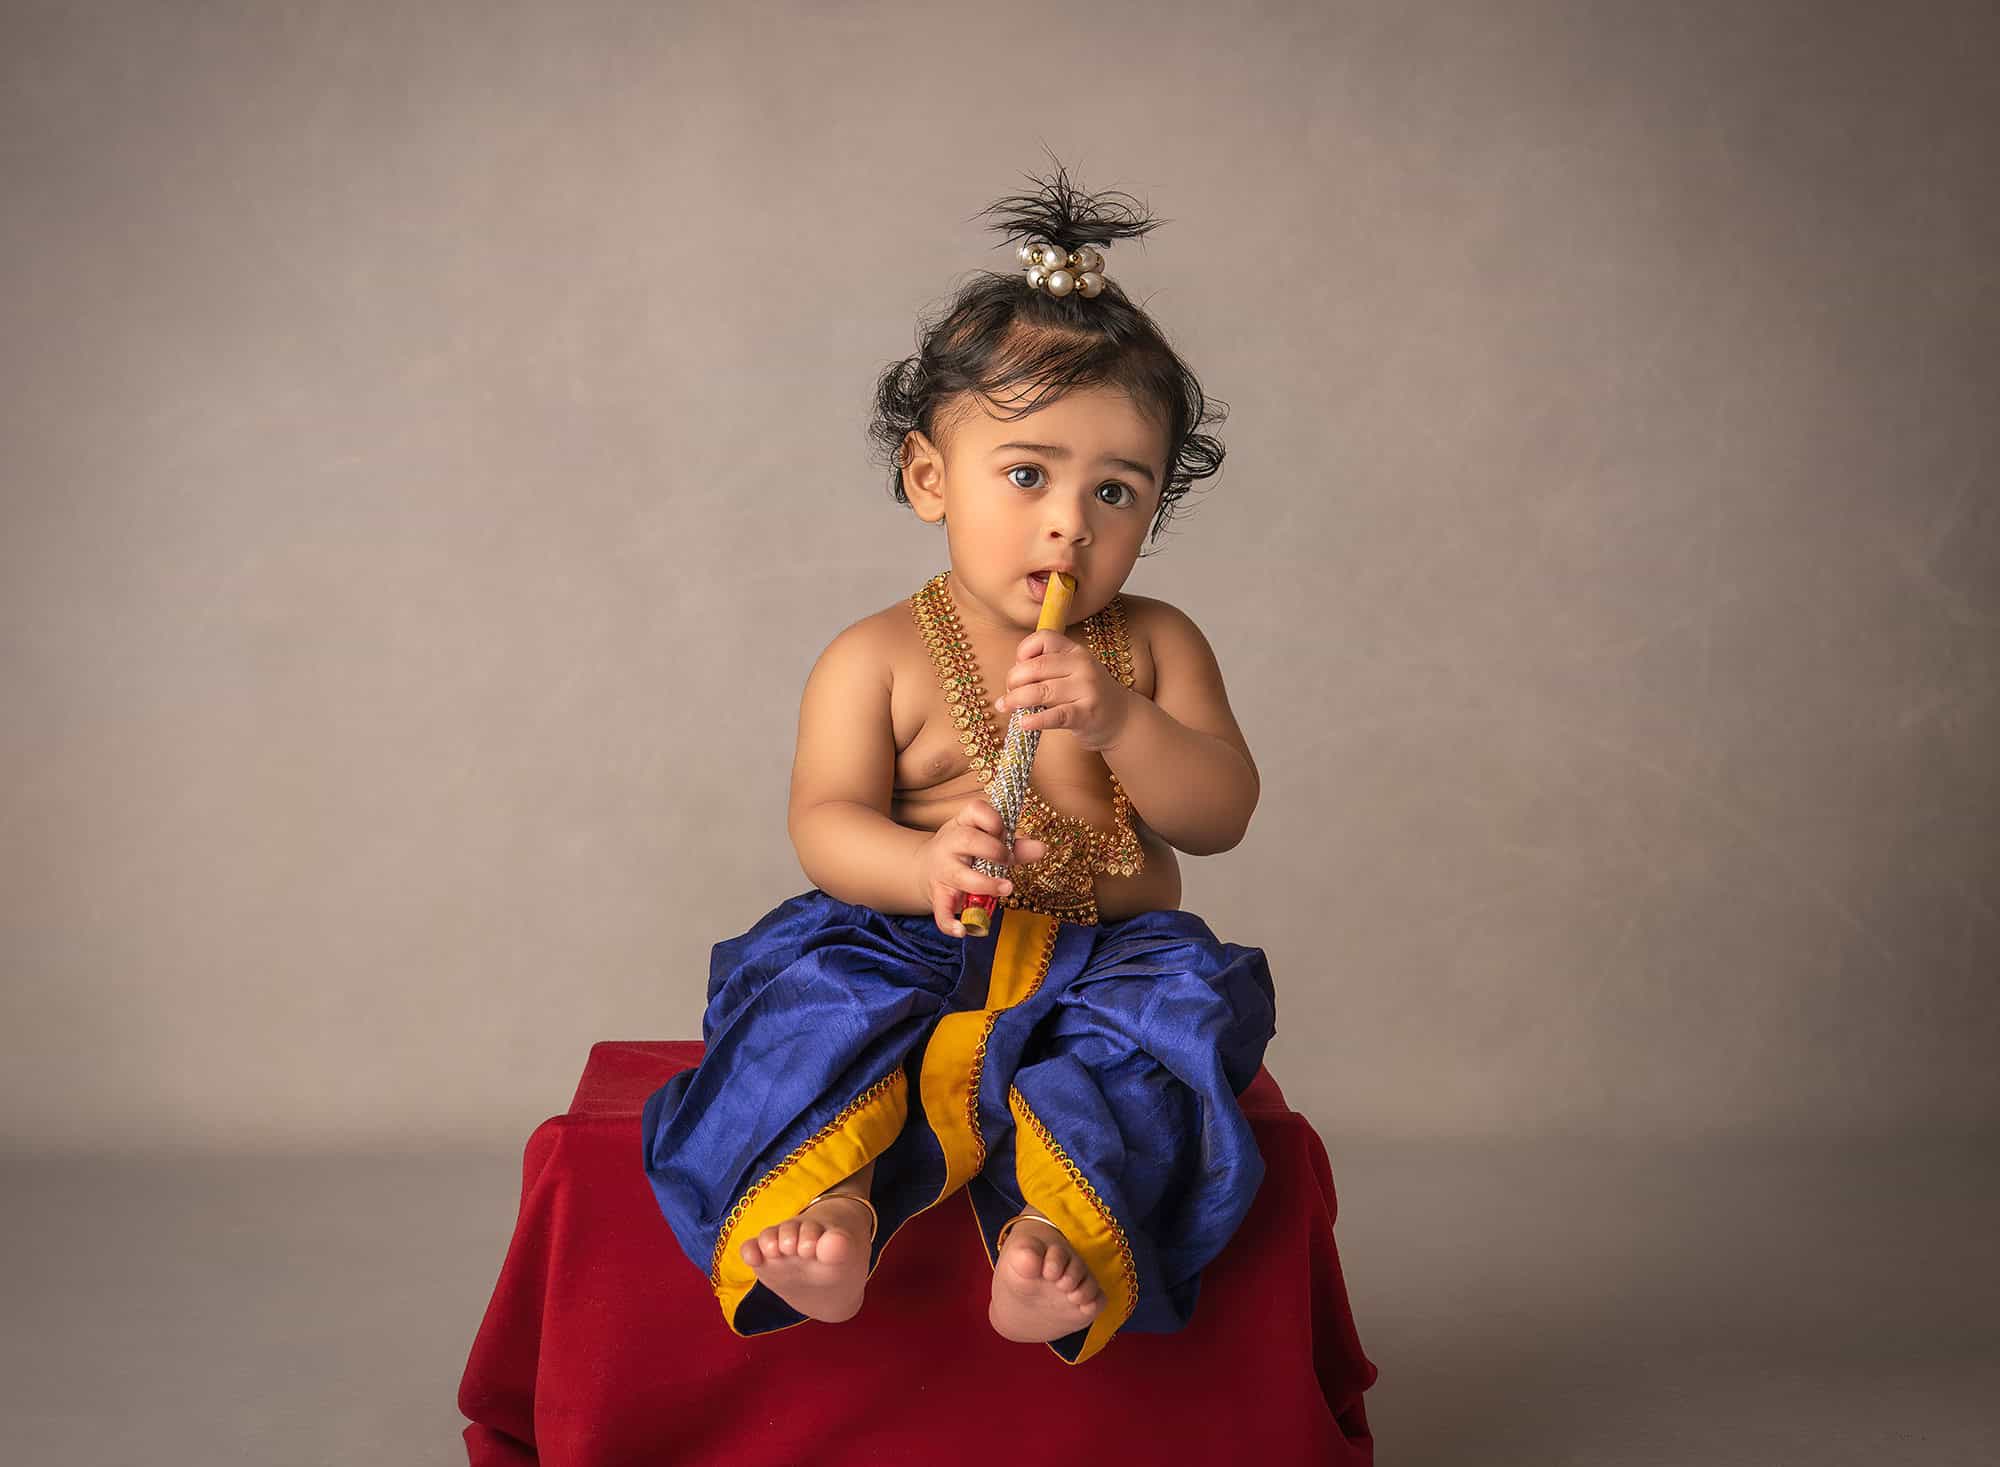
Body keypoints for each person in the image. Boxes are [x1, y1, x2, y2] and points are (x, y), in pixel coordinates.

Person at [641, 160, 1277, 1366]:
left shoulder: (1151, 645)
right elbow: (823, 822)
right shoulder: (874, 656)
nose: (1068, 524)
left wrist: (1123, 725)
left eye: (1116, 492)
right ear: (930, 477)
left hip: (1105, 952)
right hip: (908, 935)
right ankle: (827, 1210)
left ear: (1153, 514)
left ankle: (1060, 1237)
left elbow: (1220, 815)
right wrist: (920, 859)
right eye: (1027, 474)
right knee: (813, 1023)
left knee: (1156, 1043)